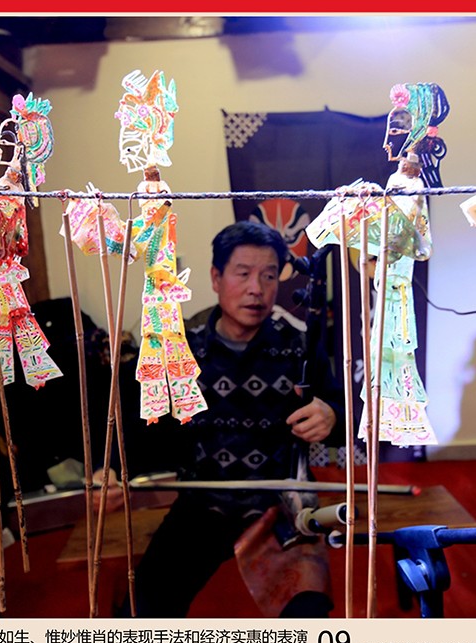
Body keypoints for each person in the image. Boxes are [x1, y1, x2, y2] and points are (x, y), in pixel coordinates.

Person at [106, 220, 344, 617]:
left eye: (269, 275)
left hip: (281, 507)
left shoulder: (301, 343)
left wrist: (331, 415)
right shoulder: (182, 347)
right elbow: (140, 422)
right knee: (142, 611)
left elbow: (342, 410)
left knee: (308, 614)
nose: (256, 288)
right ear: (216, 278)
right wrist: (113, 470)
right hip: (203, 505)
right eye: (243, 273)